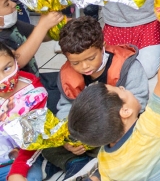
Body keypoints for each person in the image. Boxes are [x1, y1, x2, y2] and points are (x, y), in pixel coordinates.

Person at [66, 13, 160, 181]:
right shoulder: (150, 127)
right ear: (125, 111)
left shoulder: (105, 160)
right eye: (120, 90)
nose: (122, 87)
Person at [44, 16, 149, 177]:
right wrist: (70, 139)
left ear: (103, 47)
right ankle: (76, 163)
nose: (84, 66)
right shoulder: (67, 75)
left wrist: (103, 132)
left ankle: (87, 165)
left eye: (91, 58)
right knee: (47, 144)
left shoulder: (128, 67)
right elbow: (65, 109)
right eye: (75, 63)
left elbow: (138, 102)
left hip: (119, 130)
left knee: (139, 146)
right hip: (87, 135)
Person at [0, 41, 50, 181]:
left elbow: (32, 141)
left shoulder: (34, 95)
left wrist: (18, 172)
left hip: (20, 160)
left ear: (15, 61)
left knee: (31, 177)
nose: (3, 79)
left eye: (7, 68)